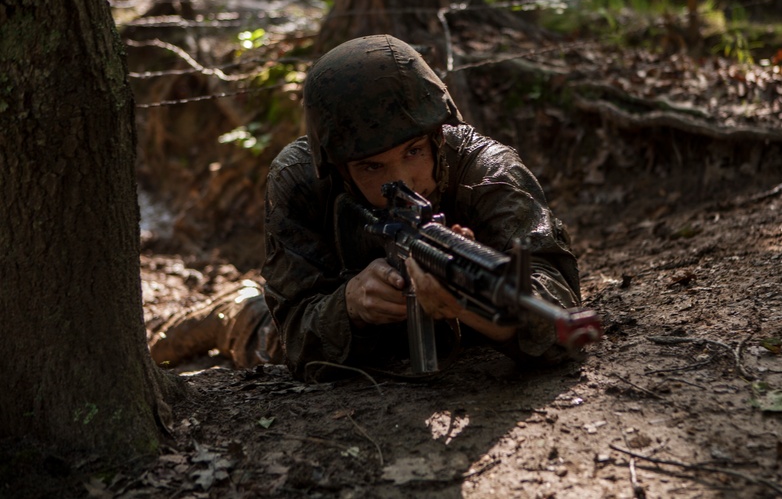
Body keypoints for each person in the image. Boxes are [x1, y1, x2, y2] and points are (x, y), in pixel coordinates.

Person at [150, 34, 581, 380]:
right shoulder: (301, 179)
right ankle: (222, 311)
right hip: (275, 328)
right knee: (250, 327)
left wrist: (464, 303)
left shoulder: (488, 169)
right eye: (372, 165)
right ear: (338, 168)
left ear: (436, 136)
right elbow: (295, 338)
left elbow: (560, 313)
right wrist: (350, 305)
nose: (403, 181)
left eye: (414, 151)